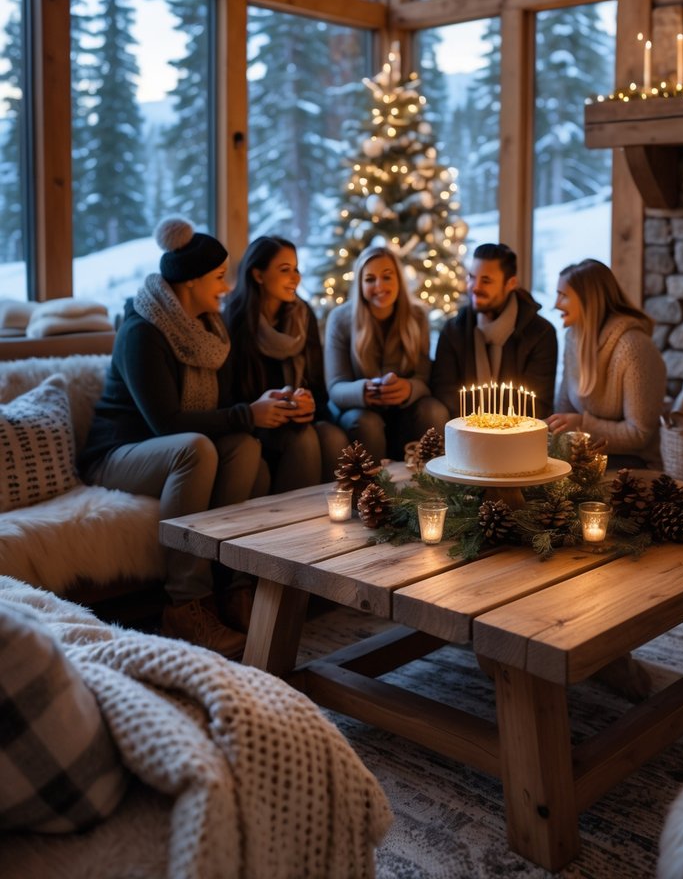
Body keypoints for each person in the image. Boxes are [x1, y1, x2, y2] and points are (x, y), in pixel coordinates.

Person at [79, 217, 286, 658]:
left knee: (247, 448)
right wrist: (247, 413)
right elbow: (167, 424)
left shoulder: (212, 331)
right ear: (190, 283)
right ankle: (184, 604)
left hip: (171, 447)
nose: (227, 287)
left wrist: (261, 406)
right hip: (117, 453)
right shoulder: (142, 330)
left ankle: (235, 585)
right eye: (217, 278)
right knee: (196, 448)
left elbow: (225, 407)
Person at [224, 235, 347, 489]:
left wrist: (307, 403)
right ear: (258, 275)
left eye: (296, 269)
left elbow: (317, 389)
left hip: (299, 419)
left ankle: (338, 515)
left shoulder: (303, 317)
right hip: (256, 423)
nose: (296, 277)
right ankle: (293, 523)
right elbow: (229, 396)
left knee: (333, 436)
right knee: (304, 440)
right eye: (284, 270)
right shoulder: (234, 322)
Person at [324, 244, 448, 464]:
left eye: (387, 277)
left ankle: (433, 487)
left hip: (403, 410)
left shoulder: (417, 316)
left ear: (398, 280)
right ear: (360, 284)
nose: (379, 286)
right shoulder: (340, 319)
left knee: (434, 411)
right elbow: (335, 388)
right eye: (370, 279)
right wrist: (364, 390)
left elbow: (423, 377)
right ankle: (371, 494)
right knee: (367, 423)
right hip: (358, 411)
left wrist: (408, 389)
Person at [547, 258, 667, 467]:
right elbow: (565, 409)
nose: (556, 304)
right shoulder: (573, 338)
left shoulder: (633, 346)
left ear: (588, 300)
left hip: (635, 465)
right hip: (586, 458)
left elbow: (640, 435)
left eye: (563, 295)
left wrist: (583, 426)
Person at [431, 242, 557, 418]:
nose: (475, 287)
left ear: (511, 283)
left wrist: (496, 430)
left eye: (486, 280)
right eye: (472, 277)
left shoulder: (540, 333)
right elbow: (445, 392)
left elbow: (537, 404)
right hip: (465, 432)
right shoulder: (453, 330)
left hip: (517, 435)